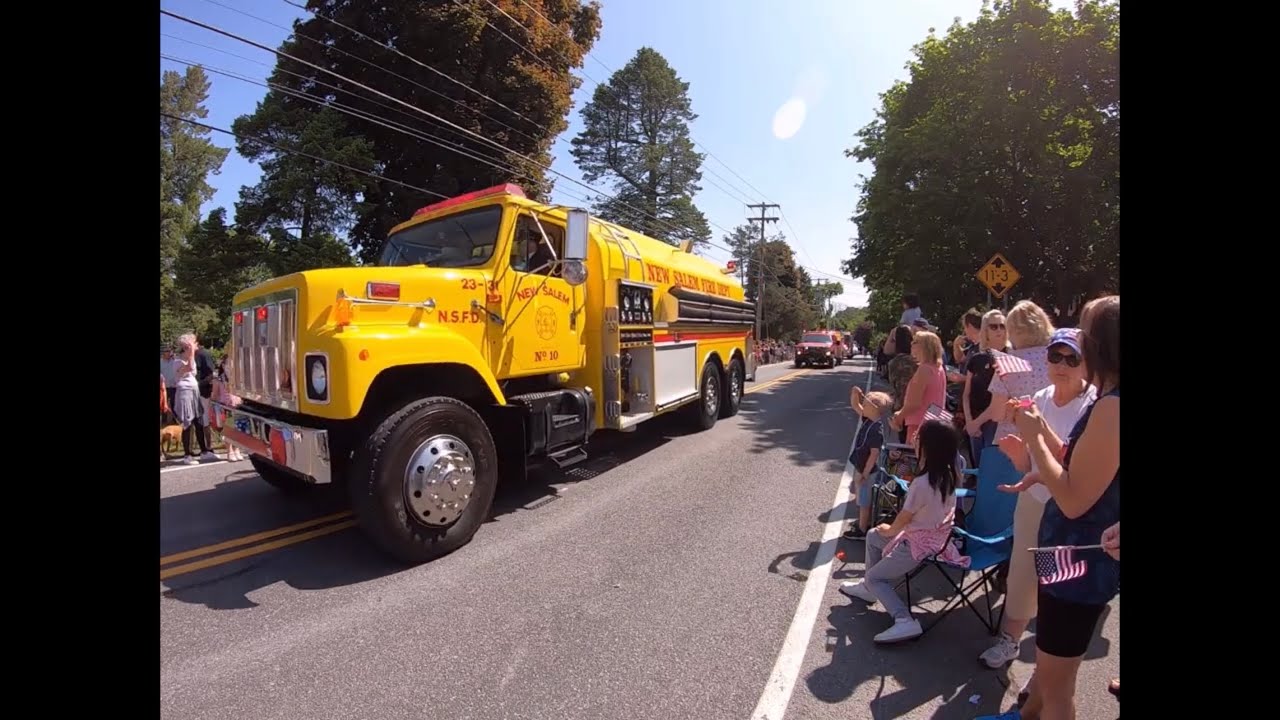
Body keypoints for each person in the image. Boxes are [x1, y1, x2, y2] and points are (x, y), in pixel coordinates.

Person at [976, 296, 1120, 720]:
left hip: (1078, 563)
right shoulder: (1106, 398)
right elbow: (1080, 466)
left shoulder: (1111, 406)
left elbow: (1075, 501)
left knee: (1058, 690)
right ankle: (1024, 715)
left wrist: (1036, 435)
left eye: (1084, 334)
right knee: (1048, 667)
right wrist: (1041, 463)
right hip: (1068, 558)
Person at [977, 329, 1097, 670]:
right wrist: (1016, 456)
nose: (1061, 365)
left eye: (1071, 358)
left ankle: (1049, 659)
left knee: (1059, 582)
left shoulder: (1093, 405)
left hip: (1068, 506)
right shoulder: (1040, 395)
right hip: (1034, 499)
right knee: (1022, 573)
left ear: (1086, 363)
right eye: (1055, 356)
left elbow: (1075, 462)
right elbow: (1031, 464)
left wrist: (1040, 427)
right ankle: (1010, 641)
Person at [838, 420, 966, 644]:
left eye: (918, 438)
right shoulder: (950, 474)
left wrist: (890, 530)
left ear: (926, 448)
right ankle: (869, 588)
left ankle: (904, 619)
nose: (914, 441)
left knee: (877, 571)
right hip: (938, 538)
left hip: (918, 544)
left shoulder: (923, 483)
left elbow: (903, 519)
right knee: (872, 536)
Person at [843, 388, 893, 540]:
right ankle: (864, 523)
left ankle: (862, 530)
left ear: (874, 407)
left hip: (867, 471)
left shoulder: (876, 430)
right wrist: (854, 394)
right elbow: (855, 405)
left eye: (866, 401)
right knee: (862, 498)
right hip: (861, 466)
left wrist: (865, 474)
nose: (863, 404)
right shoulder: (868, 418)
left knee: (864, 501)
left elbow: (874, 454)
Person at [889, 331, 947, 445]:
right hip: (934, 423)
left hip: (919, 426)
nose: (911, 344)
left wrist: (899, 417)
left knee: (913, 460)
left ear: (925, 346)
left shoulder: (924, 370)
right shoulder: (939, 368)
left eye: (915, 342)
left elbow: (914, 403)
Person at [173, 333, 217, 465]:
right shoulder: (178, 361)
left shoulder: (191, 358)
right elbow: (190, 368)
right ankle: (187, 455)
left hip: (194, 391)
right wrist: (191, 351)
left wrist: (192, 352)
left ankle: (204, 451)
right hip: (184, 392)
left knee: (198, 421)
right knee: (188, 422)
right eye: (194, 343)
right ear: (187, 346)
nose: (196, 344)